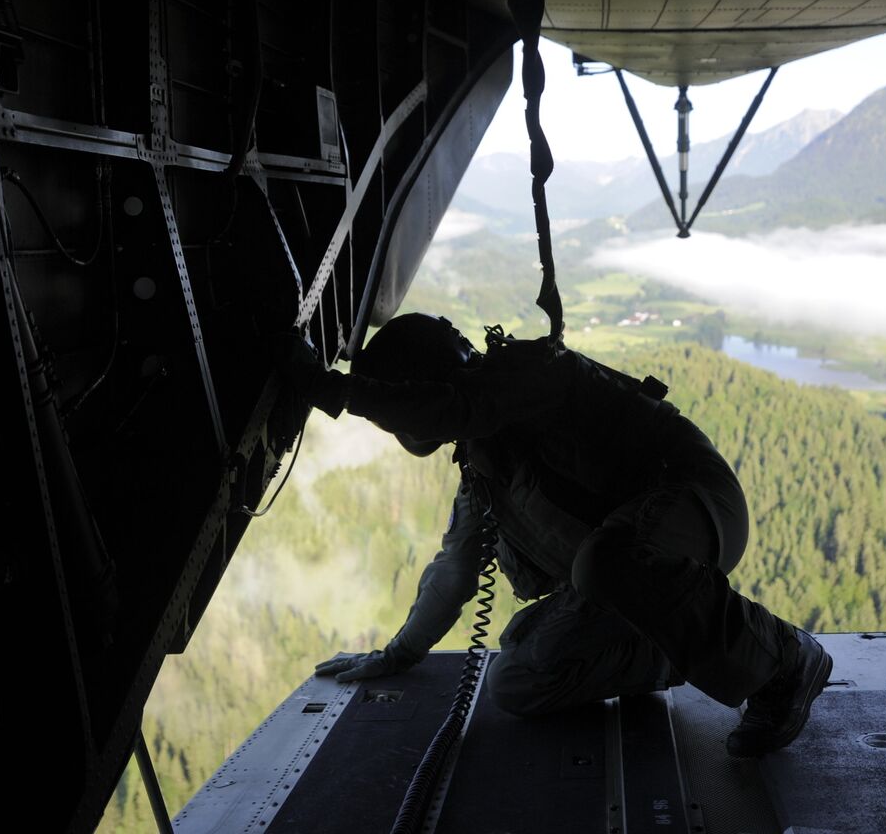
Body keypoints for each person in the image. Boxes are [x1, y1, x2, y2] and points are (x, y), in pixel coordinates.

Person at [290, 313, 831, 757]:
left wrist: (328, 388)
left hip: (695, 506)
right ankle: (673, 649)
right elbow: (453, 569)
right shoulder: (483, 469)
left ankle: (782, 659)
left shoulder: (534, 372)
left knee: (604, 560)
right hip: (624, 565)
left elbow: (461, 407)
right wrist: (399, 653)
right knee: (518, 677)